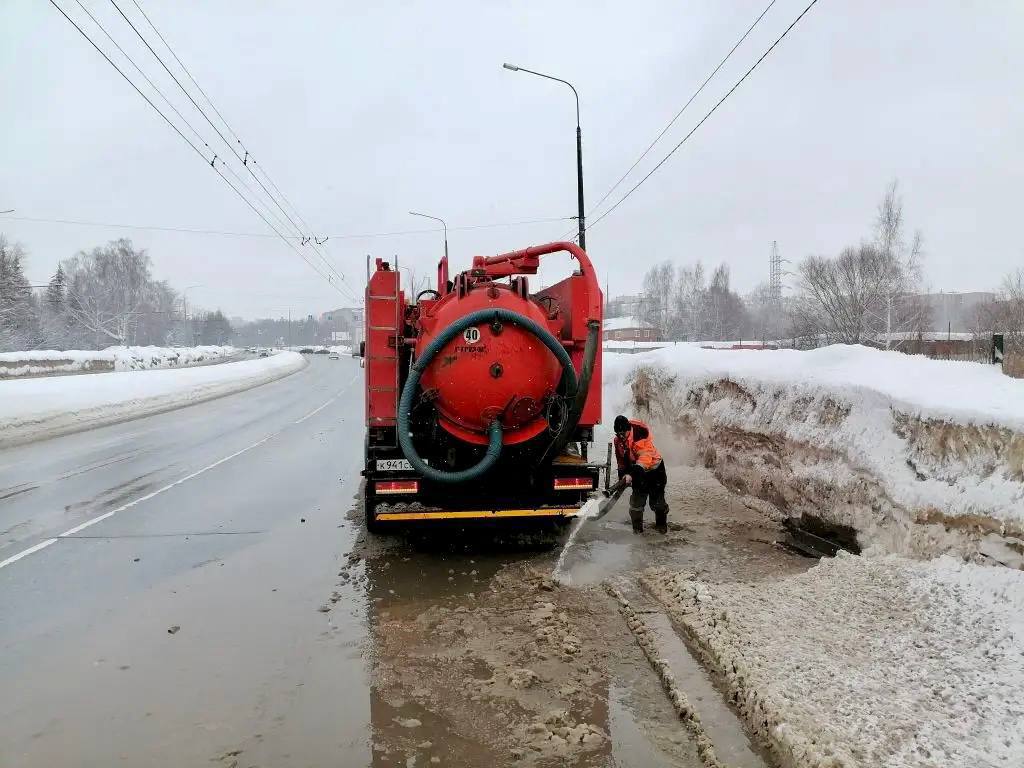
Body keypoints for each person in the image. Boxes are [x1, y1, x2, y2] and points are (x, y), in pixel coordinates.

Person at [613, 415, 669, 534]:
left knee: (657, 503)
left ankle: (661, 527)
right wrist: (622, 475)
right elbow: (621, 460)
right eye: (618, 433)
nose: (621, 436)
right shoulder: (618, 440)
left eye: (623, 433)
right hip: (637, 471)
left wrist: (631, 474)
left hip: (655, 471)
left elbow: (644, 459)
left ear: (629, 430)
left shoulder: (640, 436)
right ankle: (637, 531)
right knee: (636, 503)